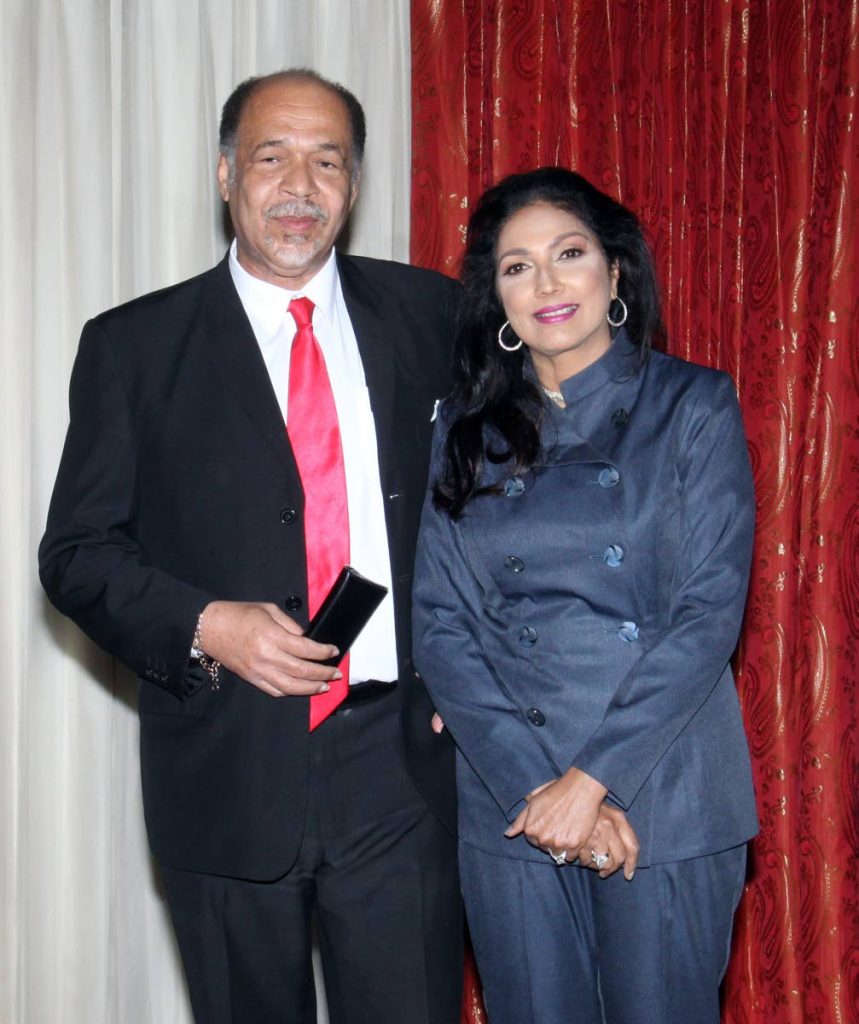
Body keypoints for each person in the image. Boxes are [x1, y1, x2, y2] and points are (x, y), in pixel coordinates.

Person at [39, 69, 463, 1024]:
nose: (299, 187)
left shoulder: (434, 317)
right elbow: (75, 552)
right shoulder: (134, 346)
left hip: (403, 764)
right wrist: (206, 623)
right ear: (226, 174)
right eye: (272, 157)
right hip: (226, 765)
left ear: (354, 186)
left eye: (328, 161)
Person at [412, 167, 758, 1024]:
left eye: (567, 254)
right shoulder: (463, 432)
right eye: (516, 266)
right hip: (512, 794)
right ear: (495, 298)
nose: (546, 283)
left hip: (666, 783)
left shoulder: (692, 404)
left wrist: (593, 782)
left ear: (614, 272)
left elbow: (706, 613)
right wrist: (545, 792)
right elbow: (441, 626)